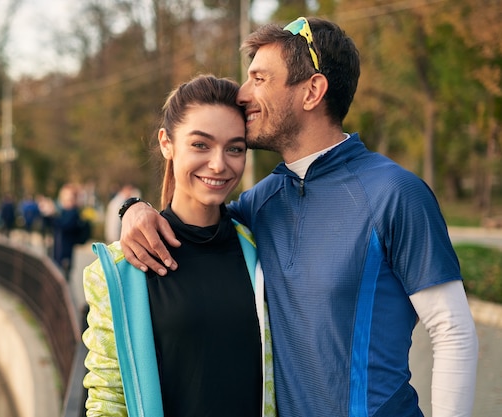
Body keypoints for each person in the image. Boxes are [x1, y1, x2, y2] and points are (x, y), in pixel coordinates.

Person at [119, 17, 479, 417]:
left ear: (312, 91)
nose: (242, 93)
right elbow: (194, 217)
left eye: (259, 78)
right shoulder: (261, 203)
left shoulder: (395, 193)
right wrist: (134, 209)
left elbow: (453, 333)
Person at [82, 74, 275, 417]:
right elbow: (108, 399)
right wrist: (132, 207)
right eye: (200, 145)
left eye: (235, 148)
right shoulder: (120, 269)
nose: (219, 164)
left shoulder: (264, 249)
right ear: (167, 144)